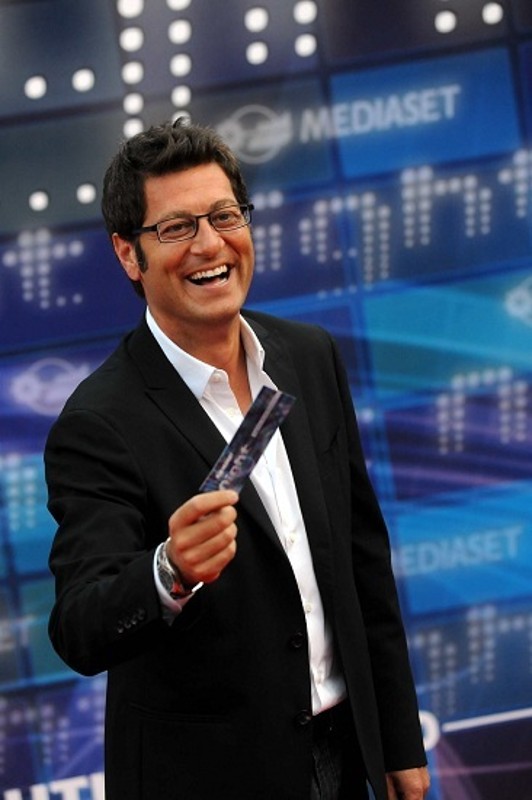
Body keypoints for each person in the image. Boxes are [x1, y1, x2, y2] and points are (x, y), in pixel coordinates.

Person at [45, 119, 430, 800]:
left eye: (225, 216)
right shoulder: (99, 422)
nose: (210, 244)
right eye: (176, 228)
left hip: (346, 752)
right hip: (211, 777)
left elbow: (362, 561)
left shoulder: (308, 356)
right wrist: (168, 570)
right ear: (129, 254)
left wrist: (396, 740)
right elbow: (80, 627)